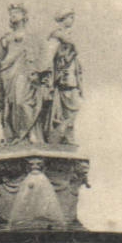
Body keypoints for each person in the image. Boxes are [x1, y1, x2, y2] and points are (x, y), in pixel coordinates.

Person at [0, 4, 41, 145]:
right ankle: (15, 136)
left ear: (24, 16)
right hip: (8, 74)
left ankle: (26, 133)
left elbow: (37, 57)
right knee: (12, 104)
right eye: (11, 13)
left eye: (16, 13)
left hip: (25, 74)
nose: (13, 15)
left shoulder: (31, 37)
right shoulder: (6, 39)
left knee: (22, 102)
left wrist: (36, 72)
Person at [40, 10, 83, 145]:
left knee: (71, 108)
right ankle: (61, 135)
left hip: (72, 75)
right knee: (71, 106)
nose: (72, 20)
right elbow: (49, 56)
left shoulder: (67, 35)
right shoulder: (57, 35)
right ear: (63, 19)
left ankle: (65, 135)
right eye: (70, 17)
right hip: (64, 77)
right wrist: (47, 75)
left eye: (72, 17)